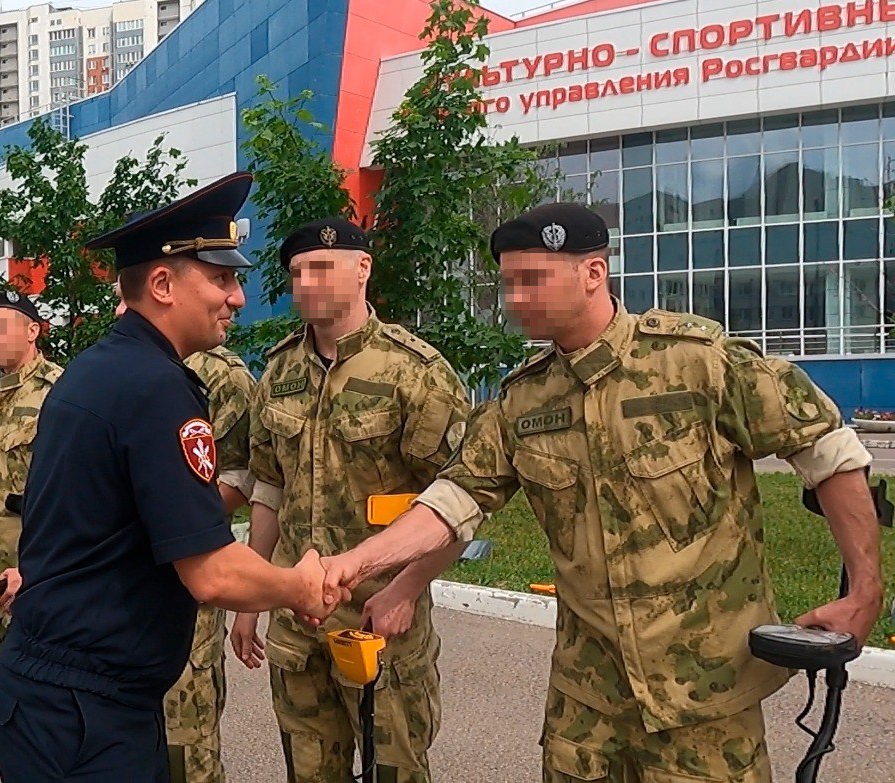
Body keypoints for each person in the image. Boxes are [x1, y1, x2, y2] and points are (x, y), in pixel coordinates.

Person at [321, 203, 885, 782]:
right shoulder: (524, 401)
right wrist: (360, 561)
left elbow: (828, 452)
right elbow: (454, 501)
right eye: (509, 283)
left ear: (594, 273)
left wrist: (866, 589)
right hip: (585, 702)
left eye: (533, 280)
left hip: (702, 693)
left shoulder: (694, 363)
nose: (515, 300)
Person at [0, 171, 343, 783]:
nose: (237, 298)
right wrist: (301, 586)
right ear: (162, 283)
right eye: (223, 278)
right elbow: (211, 572)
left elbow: (84, 525)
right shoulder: (154, 389)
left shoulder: (98, 371)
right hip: (86, 712)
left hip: (61, 691)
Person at [232, 218, 471, 782]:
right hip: (297, 617)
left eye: (321, 268)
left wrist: (406, 589)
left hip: (379, 616)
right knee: (310, 772)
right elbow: (269, 489)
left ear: (362, 269)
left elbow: (456, 502)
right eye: (296, 272)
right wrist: (251, 596)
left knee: (395, 771)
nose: (306, 283)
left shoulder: (415, 374)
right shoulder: (279, 371)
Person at [115, 280, 259, 782]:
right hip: (124, 585)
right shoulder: (113, 363)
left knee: (185, 735)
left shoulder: (224, 377)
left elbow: (242, 475)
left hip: (188, 577)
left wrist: (169, 520)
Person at [0, 290, 62, 666]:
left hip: (39, 577)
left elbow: (70, 497)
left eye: (1, 328)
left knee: (41, 686)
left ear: (32, 330)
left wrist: (34, 571)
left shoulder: (59, 393)